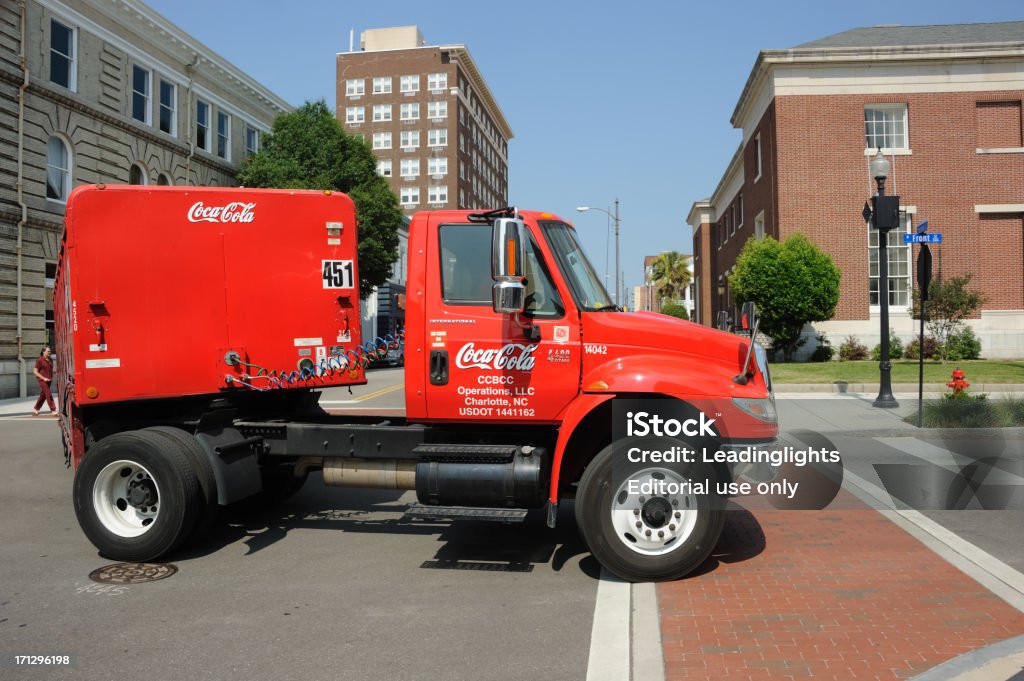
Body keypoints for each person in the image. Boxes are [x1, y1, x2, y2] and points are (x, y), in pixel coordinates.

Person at [32, 346, 58, 416]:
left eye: (50, 351)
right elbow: (35, 371)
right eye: (48, 351)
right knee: (48, 394)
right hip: (42, 380)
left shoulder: (50, 360)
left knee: (43, 395)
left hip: (49, 380)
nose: (50, 352)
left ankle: (36, 409)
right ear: (44, 352)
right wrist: (43, 378)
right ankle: (53, 410)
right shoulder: (39, 360)